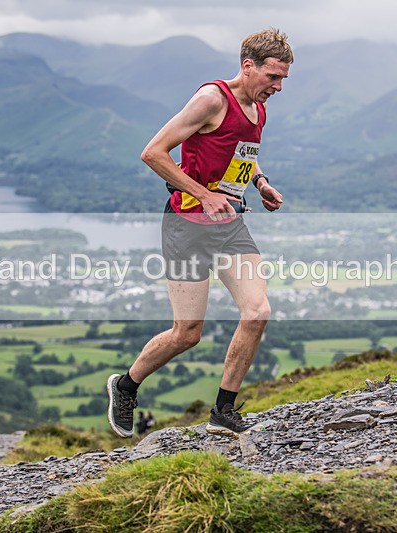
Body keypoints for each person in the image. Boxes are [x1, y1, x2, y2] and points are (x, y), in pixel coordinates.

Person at [107, 28, 292, 438]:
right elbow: (153, 152)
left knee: (257, 312)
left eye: (282, 79)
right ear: (248, 67)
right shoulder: (211, 99)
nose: (278, 87)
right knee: (187, 333)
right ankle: (125, 385)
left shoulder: (258, 109)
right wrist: (203, 195)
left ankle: (223, 410)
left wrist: (260, 184)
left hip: (228, 224)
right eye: (272, 77)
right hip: (186, 225)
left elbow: (242, 156)